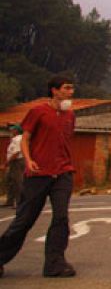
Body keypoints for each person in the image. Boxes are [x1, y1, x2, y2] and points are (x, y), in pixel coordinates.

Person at [0, 76, 77, 278]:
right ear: (54, 90)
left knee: (61, 217)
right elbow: (25, 138)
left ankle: (55, 263)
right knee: (25, 219)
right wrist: (28, 160)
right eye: (66, 88)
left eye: (71, 88)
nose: (70, 92)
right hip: (38, 173)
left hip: (63, 172)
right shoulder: (38, 112)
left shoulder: (70, 115)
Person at [3, 125, 25, 208]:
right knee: (9, 180)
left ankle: (19, 202)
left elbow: (16, 153)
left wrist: (7, 162)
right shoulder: (14, 139)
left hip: (17, 162)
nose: (11, 131)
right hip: (14, 162)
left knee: (17, 181)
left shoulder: (18, 139)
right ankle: (10, 200)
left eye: (12, 130)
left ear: (16, 131)